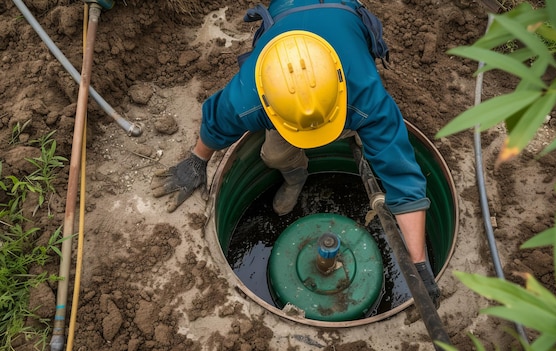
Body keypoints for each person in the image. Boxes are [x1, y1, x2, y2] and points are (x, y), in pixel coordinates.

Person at [151, 0, 441, 308]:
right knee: (275, 154)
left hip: (340, 12)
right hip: (288, 9)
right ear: (268, 107)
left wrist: (419, 265)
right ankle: (295, 174)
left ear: (342, 91)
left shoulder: (364, 91)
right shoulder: (249, 95)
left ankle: (357, 135)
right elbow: (215, 123)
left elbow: (403, 179)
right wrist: (197, 161)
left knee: (374, 134)